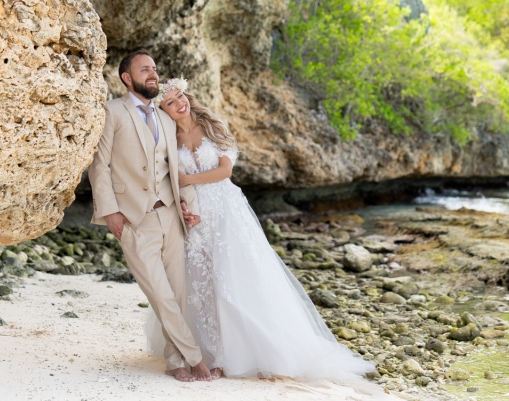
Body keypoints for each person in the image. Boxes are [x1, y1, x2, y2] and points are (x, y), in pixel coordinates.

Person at [151, 77, 375, 380]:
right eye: (170, 102)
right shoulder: (167, 138)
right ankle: (209, 355)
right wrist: (182, 204)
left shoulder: (213, 126)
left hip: (227, 211)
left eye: (181, 96)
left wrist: (187, 180)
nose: (180, 104)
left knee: (236, 278)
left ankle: (247, 354)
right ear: (163, 110)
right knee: (200, 284)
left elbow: (224, 171)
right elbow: (166, 179)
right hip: (194, 216)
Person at [87, 51, 213, 382]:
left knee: (179, 294)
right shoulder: (112, 111)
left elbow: (178, 167)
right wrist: (109, 211)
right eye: (145, 69)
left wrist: (190, 206)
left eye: (155, 68)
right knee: (159, 293)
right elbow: (101, 166)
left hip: (171, 214)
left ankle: (174, 360)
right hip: (132, 219)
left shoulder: (165, 115)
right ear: (127, 78)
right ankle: (195, 359)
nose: (153, 74)